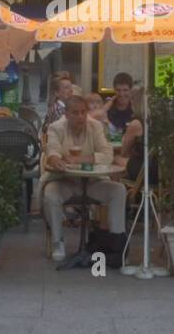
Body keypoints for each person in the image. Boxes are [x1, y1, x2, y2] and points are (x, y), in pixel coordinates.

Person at [42, 95, 127, 262]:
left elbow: (107, 155)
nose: (80, 117)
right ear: (66, 114)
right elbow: (52, 151)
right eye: (75, 113)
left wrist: (80, 160)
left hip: (92, 182)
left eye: (83, 112)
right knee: (50, 193)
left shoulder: (95, 126)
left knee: (119, 190)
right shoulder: (55, 128)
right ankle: (57, 242)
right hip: (65, 181)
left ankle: (117, 243)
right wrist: (56, 160)